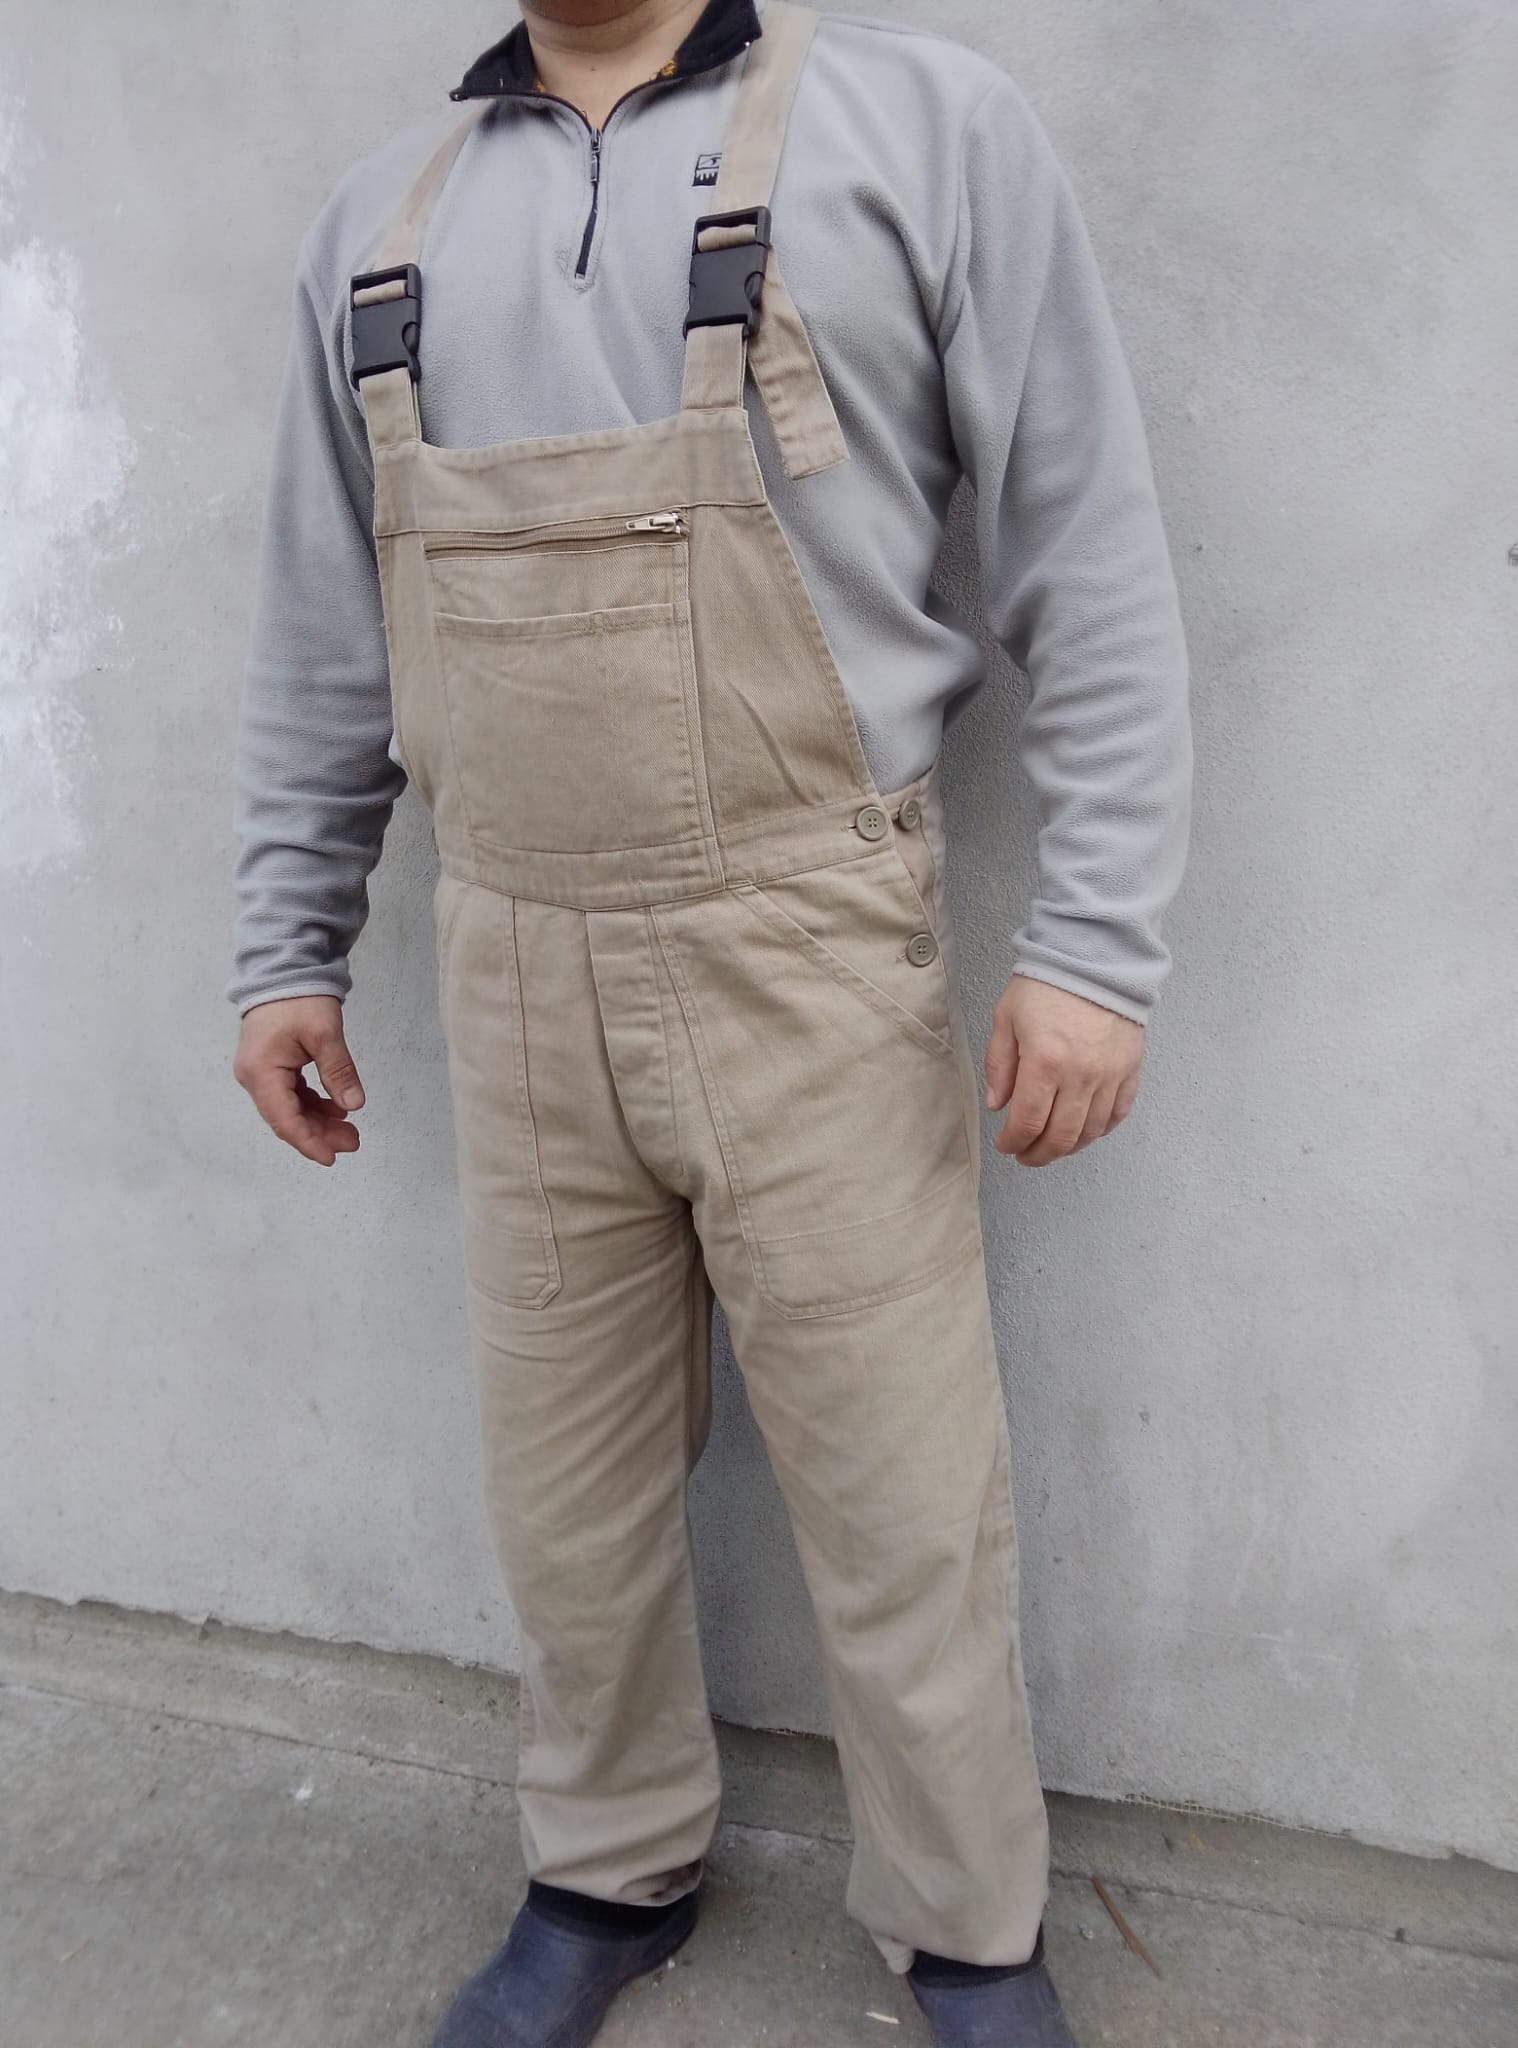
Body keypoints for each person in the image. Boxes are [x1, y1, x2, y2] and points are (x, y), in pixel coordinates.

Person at [228, 2, 1191, 2042]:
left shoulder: (921, 130)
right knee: (562, 1488)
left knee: (903, 1492)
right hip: (511, 955)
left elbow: (1085, 545)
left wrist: (1098, 946)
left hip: (807, 939)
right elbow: (324, 634)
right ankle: (604, 1873)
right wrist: (285, 947)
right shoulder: (379, 226)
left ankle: (968, 1931)